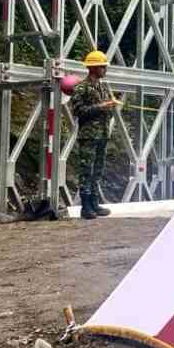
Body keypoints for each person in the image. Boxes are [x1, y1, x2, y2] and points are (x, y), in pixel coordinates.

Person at [70, 49, 120, 220]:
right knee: (86, 170)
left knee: (97, 170)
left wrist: (110, 107)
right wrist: (101, 107)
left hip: (102, 134)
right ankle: (86, 207)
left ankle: (95, 203)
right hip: (89, 135)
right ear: (93, 68)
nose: (105, 70)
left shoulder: (104, 87)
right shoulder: (81, 88)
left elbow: (107, 110)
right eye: (102, 67)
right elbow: (78, 111)